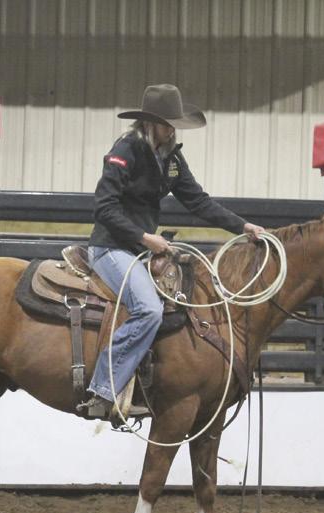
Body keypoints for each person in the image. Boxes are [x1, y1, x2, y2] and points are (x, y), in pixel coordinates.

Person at [77, 84, 264, 420]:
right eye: (167, 124)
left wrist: (242, 226)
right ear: (151, 123)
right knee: (149, 310)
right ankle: (103, 389)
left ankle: (150, 382)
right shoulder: (126, 150)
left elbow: (198, 201)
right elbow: (104, 207)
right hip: (111, 247)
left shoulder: (171, 158)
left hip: (139, 251)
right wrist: (145, 238)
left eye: (174, 124)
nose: (172, 130)